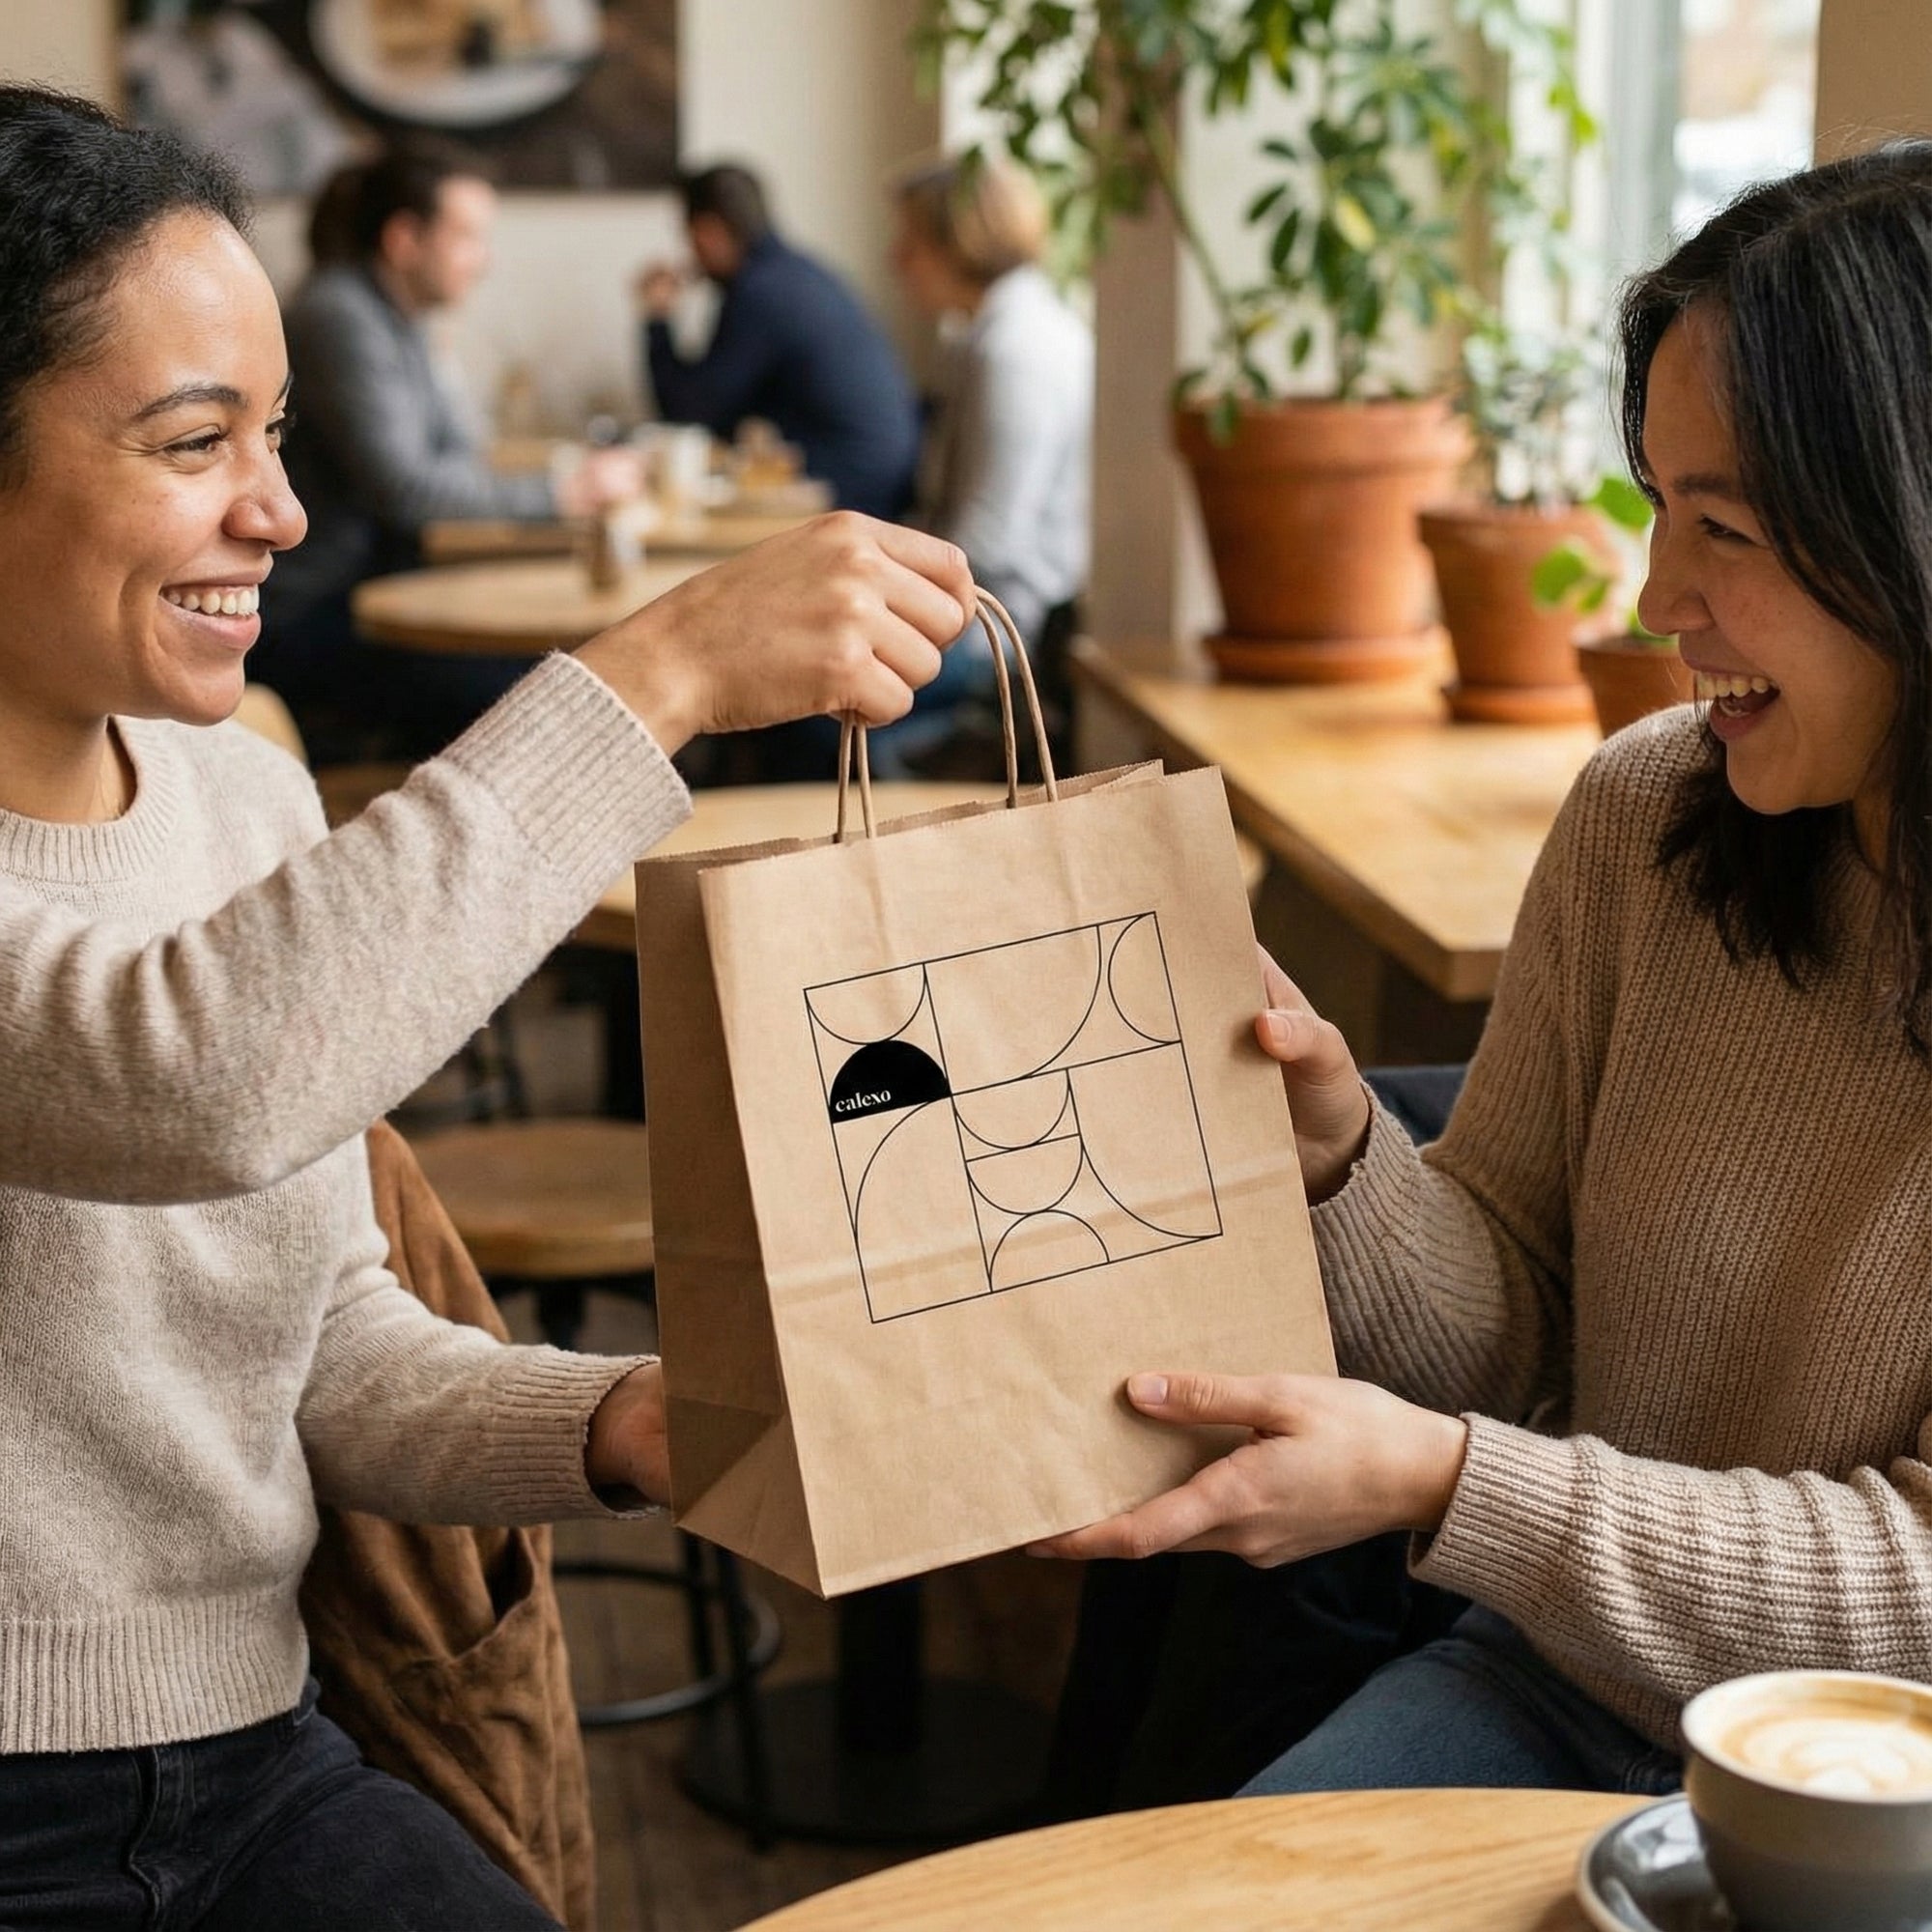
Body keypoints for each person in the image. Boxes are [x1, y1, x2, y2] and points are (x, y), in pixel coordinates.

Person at [0, 85, 972, 1930]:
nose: (280, 510)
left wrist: (624, 1423)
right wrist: (665, 668)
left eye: (277, 433)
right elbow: (198, 1072)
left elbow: (317, 1343)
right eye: (196, 441)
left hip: (254, 1757)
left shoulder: (245, 798)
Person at [1037, 140, 1932, 1799]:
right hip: (1565, 1687)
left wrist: (1455, 1488)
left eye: (1724, 528)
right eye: (1657, 505)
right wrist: (1340, 1159)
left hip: (1888, 1777)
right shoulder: (1649, 818)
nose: (1657, 596)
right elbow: (1516, 1328)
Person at [255, 141, 643, 758]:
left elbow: (463, 453)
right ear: (404, 239)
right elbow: (405, 490)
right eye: (466, 238)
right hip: (317, 611)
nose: (483, 261)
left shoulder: (397, 316)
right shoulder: (341, 318)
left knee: (566, 676)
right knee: (551, 694)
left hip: (375, 592)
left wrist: (441, 354)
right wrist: (563, 492)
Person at [879, 154, 1093, 772]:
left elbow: (987, 540)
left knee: (811, 702)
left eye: (911, 242)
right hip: (982, 616)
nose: (896, 260)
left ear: (960, 244)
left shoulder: (1017, 352)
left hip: (1000, 638)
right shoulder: (997, 332)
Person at [639, 163, 921, 521]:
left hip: (852, 490)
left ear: (709, 232)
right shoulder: (797, 273)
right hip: (884, 477)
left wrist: (657, 318)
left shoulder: (759, 293)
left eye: (691, 239)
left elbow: (690, 413)